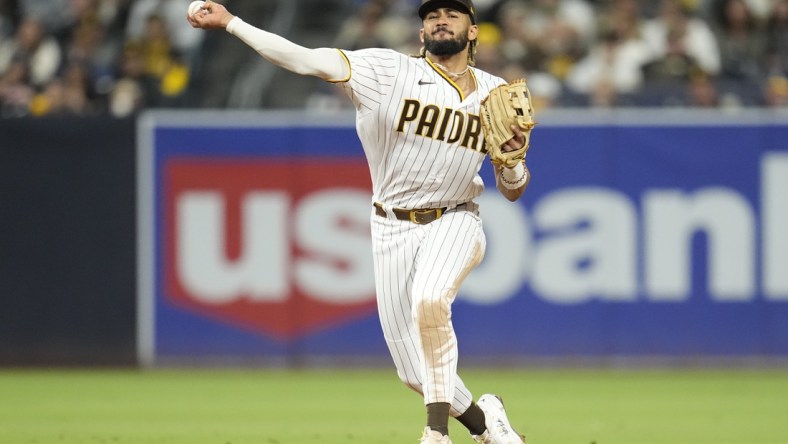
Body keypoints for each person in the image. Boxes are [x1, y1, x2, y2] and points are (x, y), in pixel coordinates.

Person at [188, 1, 529, 443]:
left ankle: (436, 432)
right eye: (431, 16)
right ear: (423, 33)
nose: (441, 19)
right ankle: (489, 427)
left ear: (473, 30)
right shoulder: (386, 71)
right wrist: (233, 23)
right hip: (390, 225)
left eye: (452, 13)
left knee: (430, 300)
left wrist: (512, 162)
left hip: (456, 216)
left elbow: (513, 188)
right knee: (412, 370)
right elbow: (304, 59)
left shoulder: (495, 93)